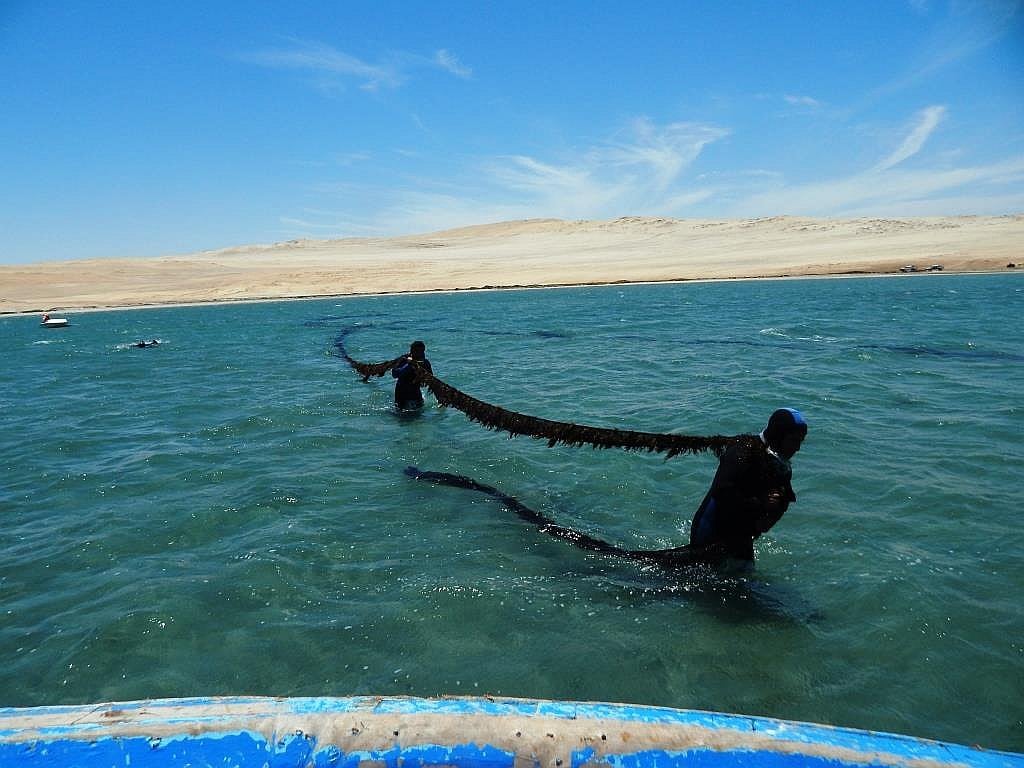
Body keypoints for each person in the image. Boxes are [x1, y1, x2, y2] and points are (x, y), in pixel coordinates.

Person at [688, 408, 807, 563]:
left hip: (741, 534)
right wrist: (761, 503)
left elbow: (786, 497)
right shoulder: (742, 450)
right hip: (710, 529)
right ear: (778, 436)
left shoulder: (780, 464)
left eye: (801, 441)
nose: (797, 448)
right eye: (793, 440)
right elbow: (722, 491)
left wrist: (771, 517)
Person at [391, 340, 432, 410]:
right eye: (418, 351)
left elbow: (431, 379)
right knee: (401, 415)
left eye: (422, 351)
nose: (421, 354)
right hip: (401, 393)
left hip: (416, 392)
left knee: (419, 413)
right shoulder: (403, 359)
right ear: (412, 351)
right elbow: (394, 374)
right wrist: (409, 365)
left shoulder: (425, 362)